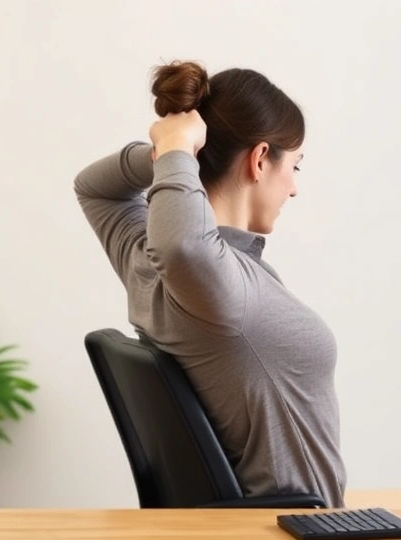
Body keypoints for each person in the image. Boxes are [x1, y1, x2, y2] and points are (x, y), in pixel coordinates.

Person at [75, 61, 346, 508]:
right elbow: (184, 243)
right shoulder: (210, 279)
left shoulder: (151, 267)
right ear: (259, 160)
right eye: (296, 166)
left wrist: (169, 155)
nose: (294, 188)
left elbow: (95, 189)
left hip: (282, 536)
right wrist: (177, 149)